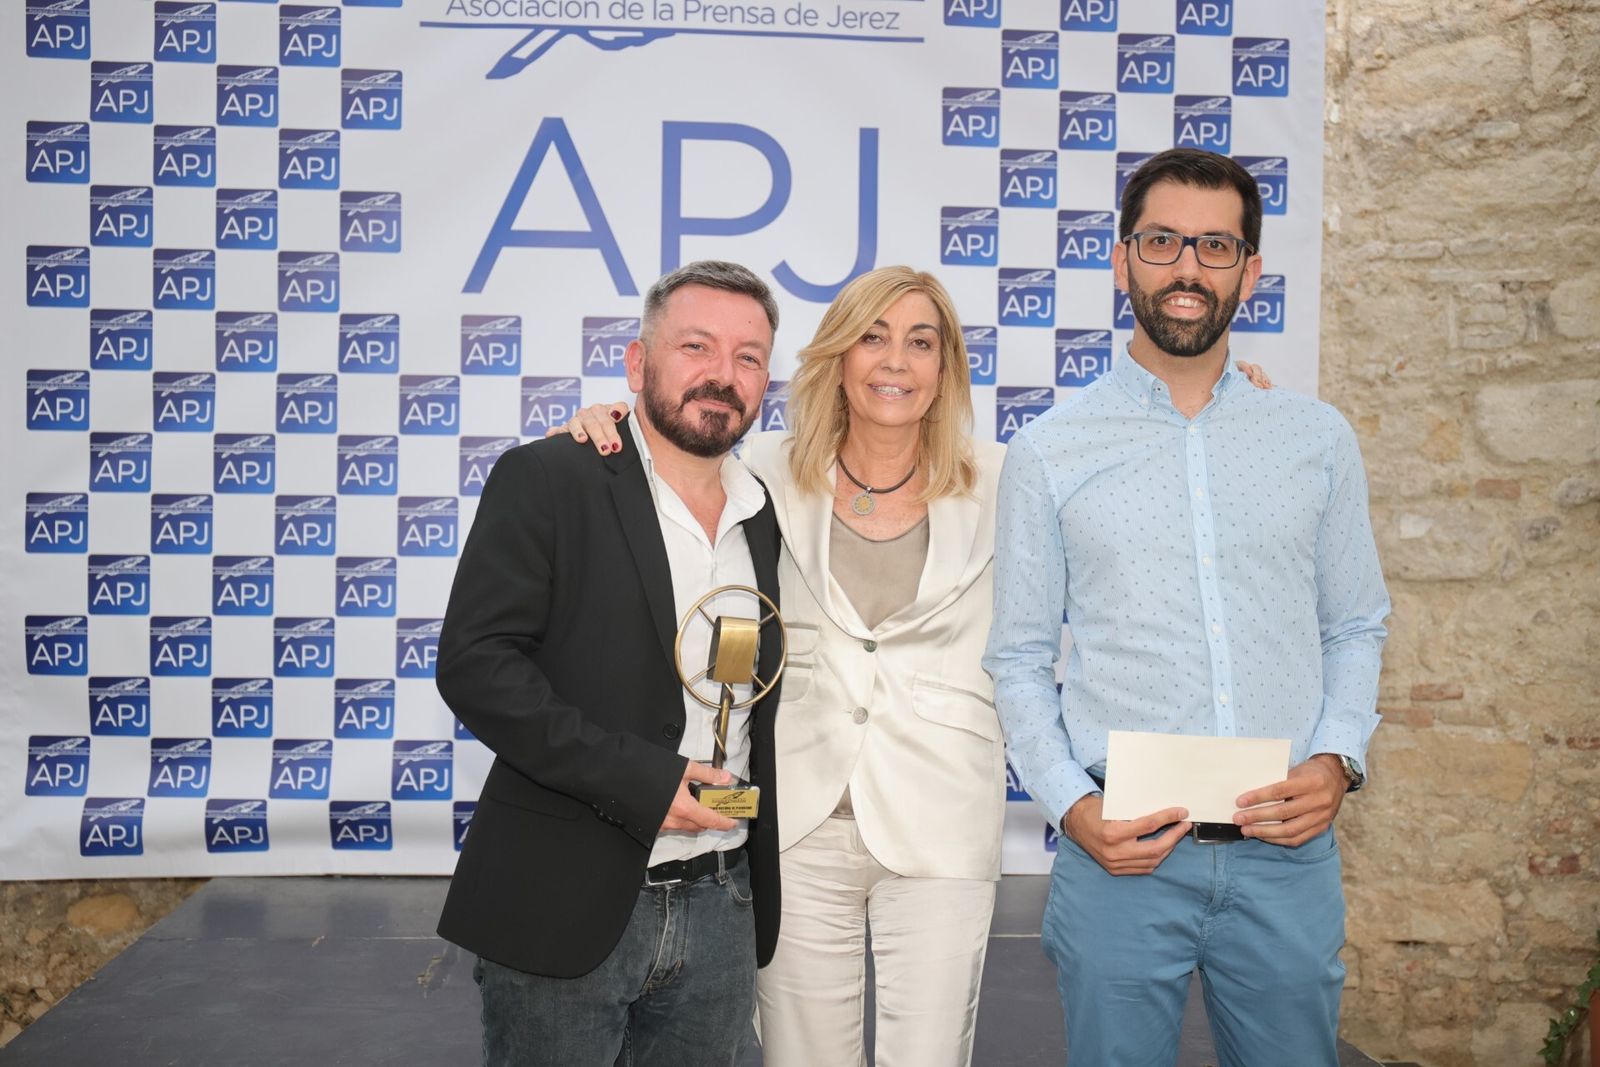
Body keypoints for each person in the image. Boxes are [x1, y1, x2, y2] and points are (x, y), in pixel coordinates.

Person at [983, 147, 1391, 1067]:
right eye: (1163, 241)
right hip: (1121, 858)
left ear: (1250, 269)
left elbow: (1355, 624)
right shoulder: (1050, 450)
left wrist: (1338, 758)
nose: (1188, 268)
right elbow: (1017, 659)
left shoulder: (1318, 439)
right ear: (1122, 258)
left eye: (1215, 246)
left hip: (1285, 856)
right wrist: (1072, 806)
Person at [557, 266, 1008, 1067]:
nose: (895, 361)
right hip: (795, 825)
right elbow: (665, 454)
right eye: (872, 337)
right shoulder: (762, 465)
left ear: (946, 368)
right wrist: (606, 421)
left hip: (942, 821)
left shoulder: (1004, 477)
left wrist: (1230, 395)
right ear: (838, 355)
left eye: (921, 342)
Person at [434, 260, 786, 1067]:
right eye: (696, 346)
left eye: (748, 357)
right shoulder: (550, 477)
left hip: (723, 900)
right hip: (564, 899)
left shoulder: (767, 510)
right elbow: (477, 664)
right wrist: (642, 780)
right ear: (637, 362)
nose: (722, 374)